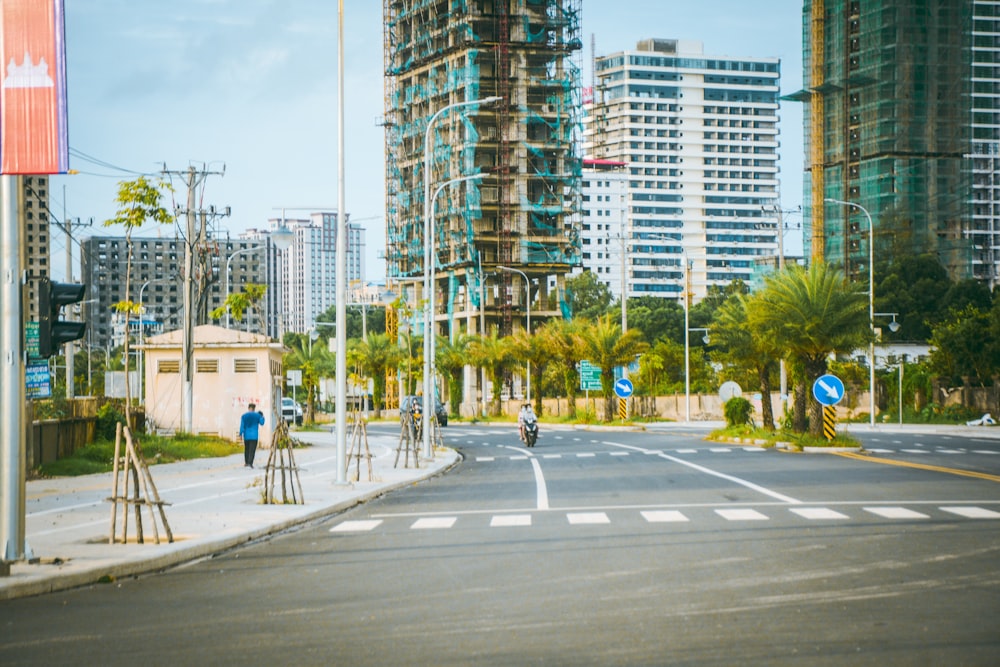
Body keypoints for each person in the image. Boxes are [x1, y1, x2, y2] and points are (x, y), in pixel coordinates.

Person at [239, 403, 265, 468]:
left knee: (247, 449)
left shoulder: (244, 416)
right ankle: (250, 463)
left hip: (246, 435)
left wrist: (240, 434)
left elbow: (242, 426)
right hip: (254, 435)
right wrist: (262, 417)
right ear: (254, 408)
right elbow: (262, 423)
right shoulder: (257, 415)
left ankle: (246, 462)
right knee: (252, 450)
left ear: (248, 408)